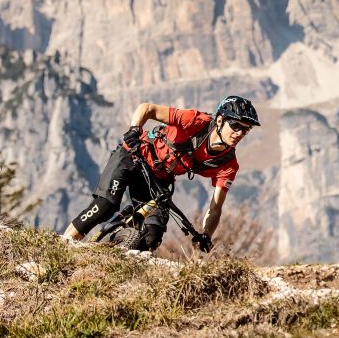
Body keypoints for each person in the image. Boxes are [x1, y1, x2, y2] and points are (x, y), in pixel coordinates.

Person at [61, 95, 260, 252]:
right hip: (134, 155)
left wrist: (206, 234)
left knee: (153, 235)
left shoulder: (228, 165)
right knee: (106, 205)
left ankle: (113, 258)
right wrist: (134, 130)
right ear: (220, 120)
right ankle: (63, 244)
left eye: (246, 130)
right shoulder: (194, 121)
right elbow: (147, 108)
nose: (240, 133)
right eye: (236, 126)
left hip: (160, 178)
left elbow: (215, 208)